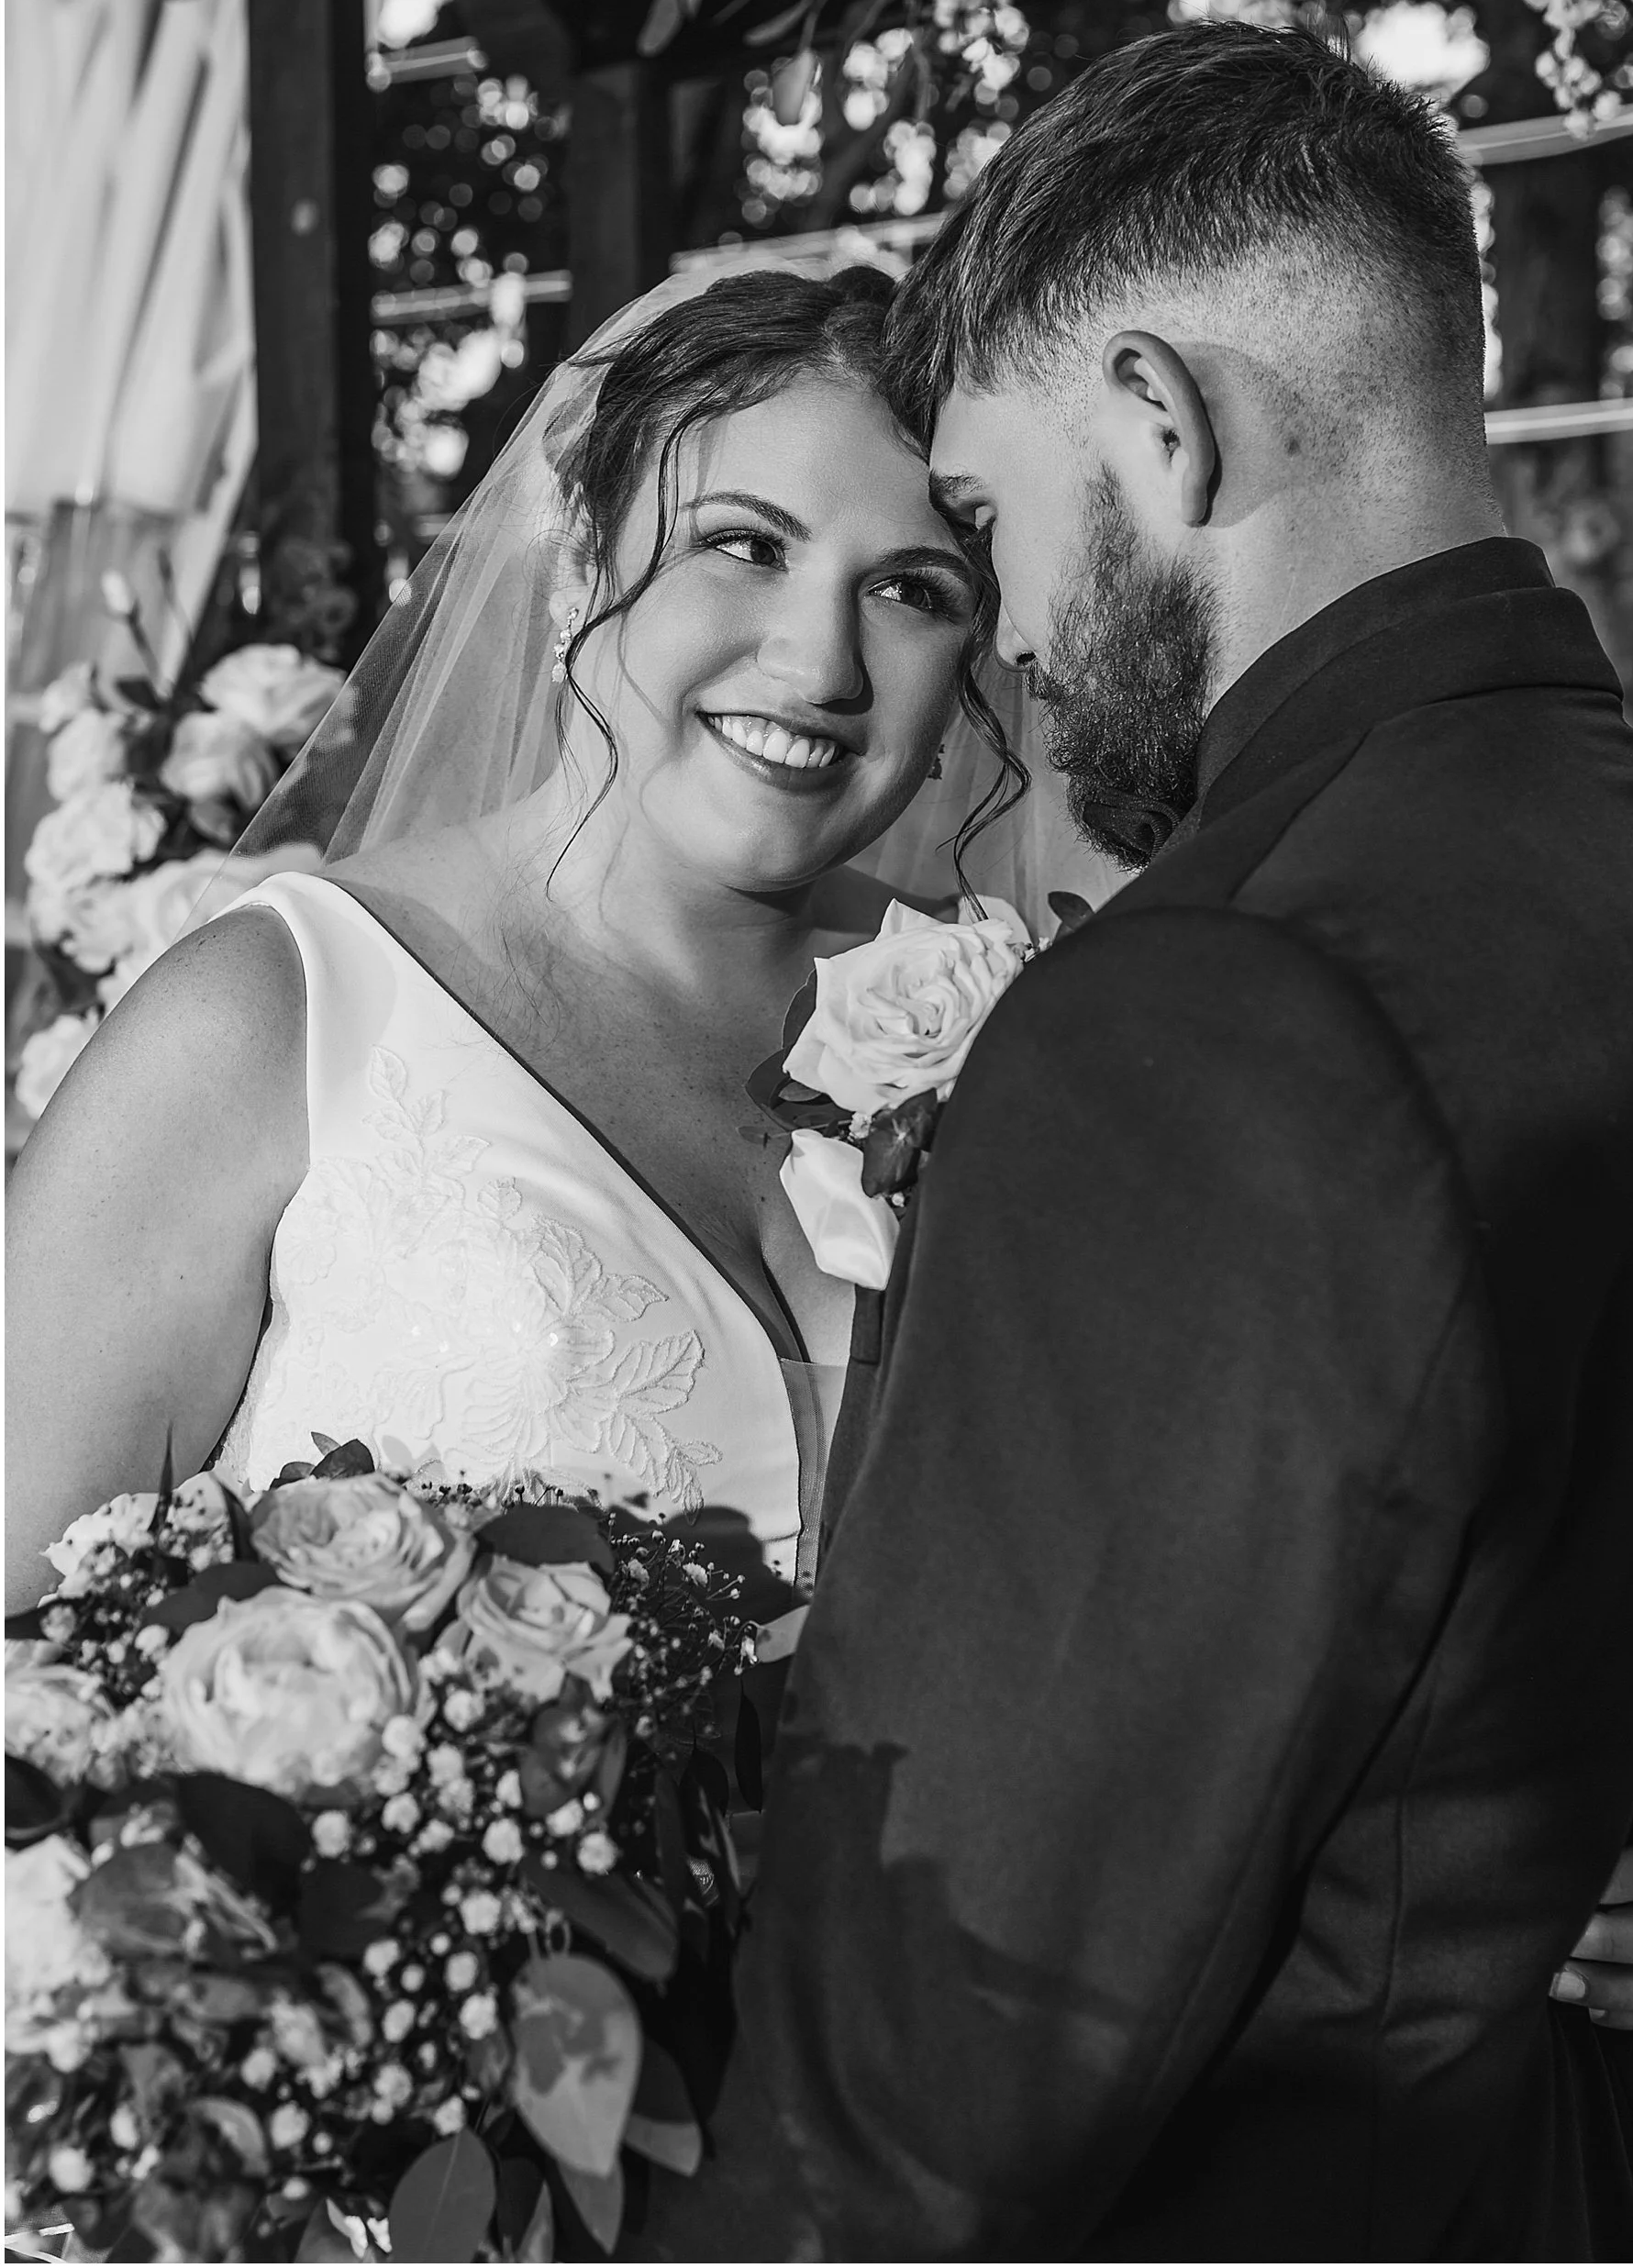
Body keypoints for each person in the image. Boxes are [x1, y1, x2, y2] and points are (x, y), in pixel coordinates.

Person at [639, 26, 1633, 2260]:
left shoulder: (1226, 1005)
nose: (1008, 643)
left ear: (1163, 414)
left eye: (985, 526)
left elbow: (951, 2048)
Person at [5, 267, 1032, 1617]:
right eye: (744, 544)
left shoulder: (1013, 1017)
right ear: (583, 558)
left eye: (909, 587)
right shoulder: (271, 1014)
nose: (819, 665)